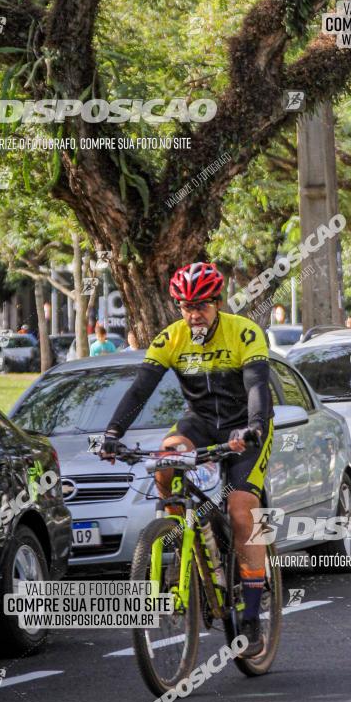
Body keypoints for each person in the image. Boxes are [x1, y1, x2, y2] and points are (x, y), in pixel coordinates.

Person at [102, 262, 273, 657]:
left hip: (244, 425)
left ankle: (251, 615)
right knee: (165, 461)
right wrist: (113, 433)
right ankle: (182, 535)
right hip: (198, 422)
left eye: (201, 306)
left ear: (217, 302)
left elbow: (257, 388)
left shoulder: (244, 332)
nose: (193, 314)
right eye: (185, 306)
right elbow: (140, 390)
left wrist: (254, 428)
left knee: (243, 511)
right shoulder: (171, 338)